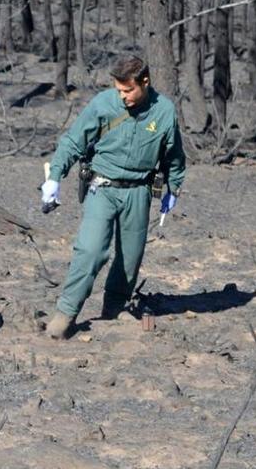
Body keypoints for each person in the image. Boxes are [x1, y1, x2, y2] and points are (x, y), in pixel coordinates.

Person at [41, 55, 186, 339]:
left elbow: (174, 154)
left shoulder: (164, 111)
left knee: (130, 256)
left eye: (128, 90)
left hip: (139, 190)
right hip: (102, 186)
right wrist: (54, 177)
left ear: (145, 82)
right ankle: (66, 313)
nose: (122, 96)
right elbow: (73, 141)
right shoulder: (104, 104)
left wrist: (174, 187)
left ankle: (115, 306)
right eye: (118, 90)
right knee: (92, 250)